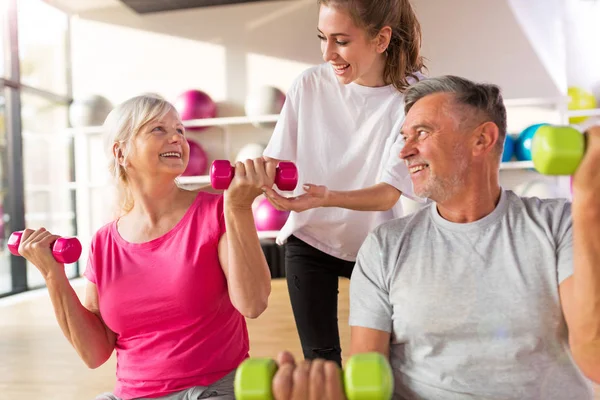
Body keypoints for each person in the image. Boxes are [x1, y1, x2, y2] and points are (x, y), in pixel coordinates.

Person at [262, 76, 600, 400]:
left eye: (421, 133)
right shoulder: (385, 247)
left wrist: (588, 203)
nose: (404, 151)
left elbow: (595, 358)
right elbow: (369, 382)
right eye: (403, 136)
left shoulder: (561, 224)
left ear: (482, 139)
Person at [17, 94, 274, 400]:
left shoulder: (217, 212)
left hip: (210, 392)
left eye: (179, 130)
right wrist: (52, 275)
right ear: (121, 152)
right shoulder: (104, 242)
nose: (177, 138)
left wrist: (240, 209)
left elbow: (253, 304)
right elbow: (94, 352)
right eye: (158, 130)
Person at [261, 0, 426, 367]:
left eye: (341, 40)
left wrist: (326, 196)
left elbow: (387, 194)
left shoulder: (411, 98)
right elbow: (275, 159)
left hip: (376, 245)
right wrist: (258, 174)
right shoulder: (309, 84)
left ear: (381, 39)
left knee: (385, 363)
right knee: (322, 364)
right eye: (322, 38)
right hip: (310, 237)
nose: (328, 53)